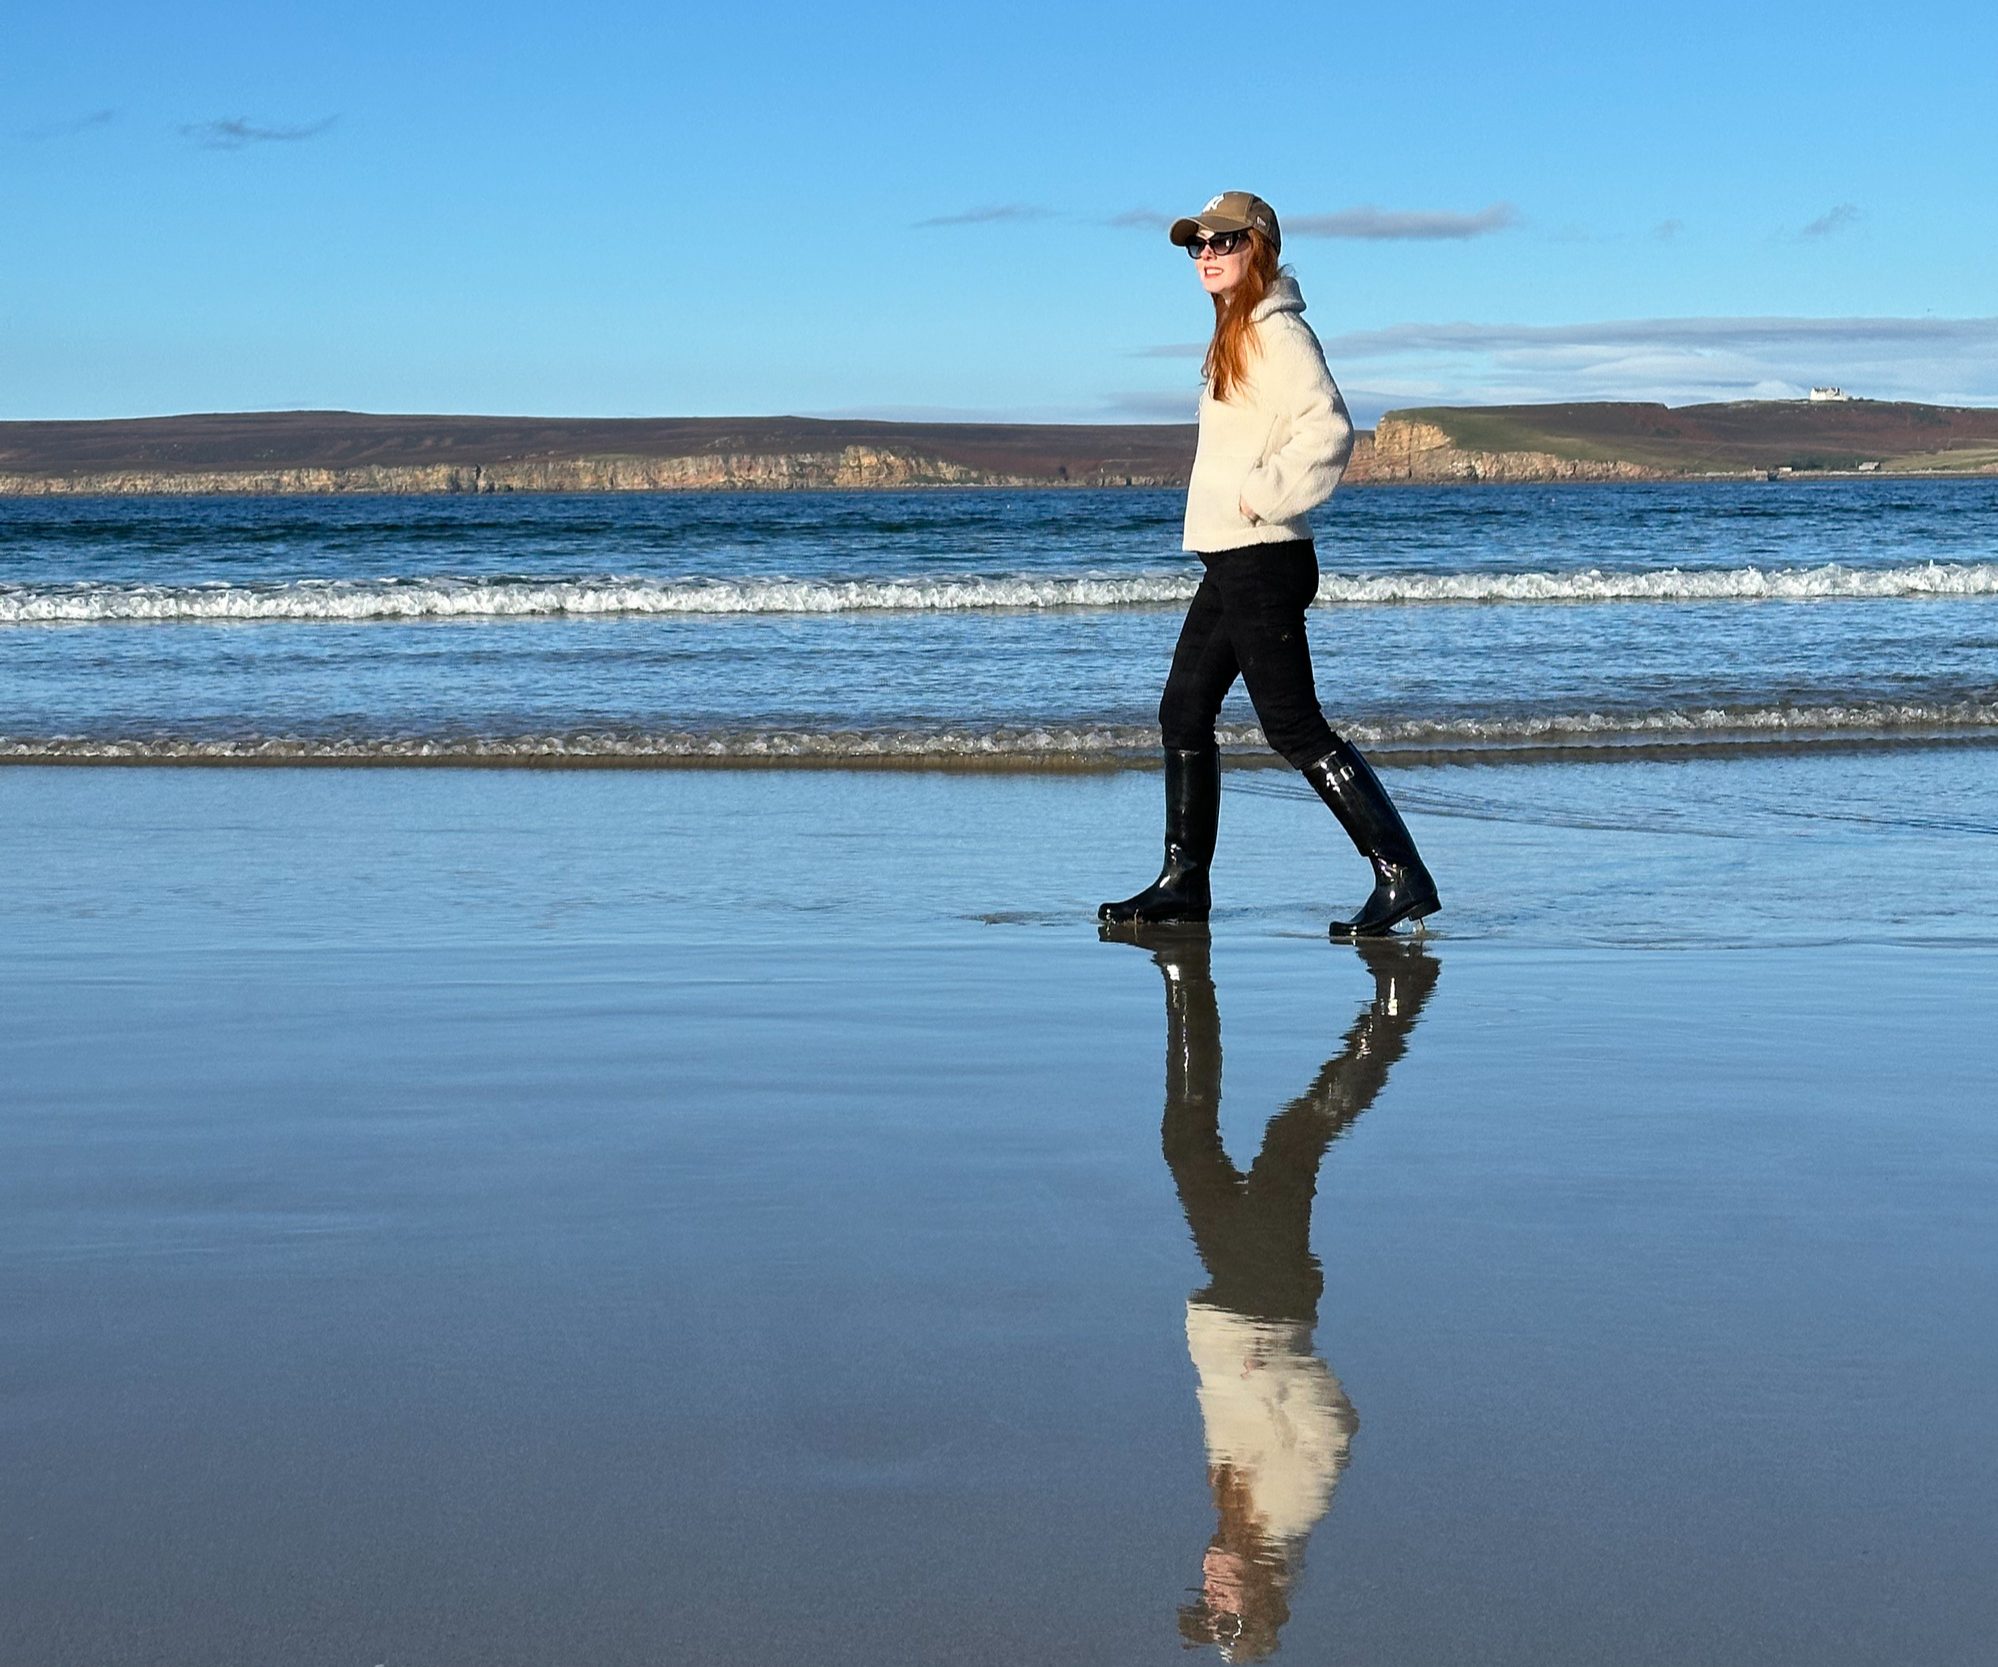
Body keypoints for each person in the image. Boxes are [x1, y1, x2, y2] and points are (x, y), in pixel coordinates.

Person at [1098, 192, 1440, 938]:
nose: (1208, 253)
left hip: (1263, 557)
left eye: (1225, 241)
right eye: (1198, 245)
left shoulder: (1278, 334)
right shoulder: (1236, 334)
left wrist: (1263, 494)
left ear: (1261, 249)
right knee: (1182, 711)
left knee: (1293, 726)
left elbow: (1329, 427)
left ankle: (1399, 873)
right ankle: (1183, 883)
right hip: (1232, 560)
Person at [1104, 924, 1440, 1659]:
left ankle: (1187, 983)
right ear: (1262, 1595)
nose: (1210, 1586)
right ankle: (1394, 1008)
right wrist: (1274, 1365)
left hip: (1235, 1298)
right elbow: (1337, 1426)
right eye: (1225, 1606)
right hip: (1265, 1302)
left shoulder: (1236, 1513)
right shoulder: (1287, 1512)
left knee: (1191, 1142)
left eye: (1207, 1600)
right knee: (1295, 1138)